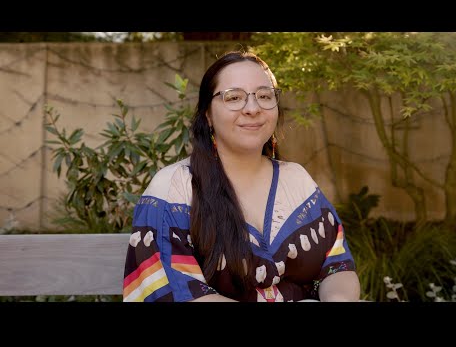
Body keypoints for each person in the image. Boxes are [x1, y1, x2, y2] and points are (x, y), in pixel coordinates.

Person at [122, 50, 361, 302]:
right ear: (208, 114)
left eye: (264, 96)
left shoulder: (297, 180)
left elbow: (337, 265)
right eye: (234, 97)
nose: (253, 108)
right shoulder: (174, 188)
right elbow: (179, 292)